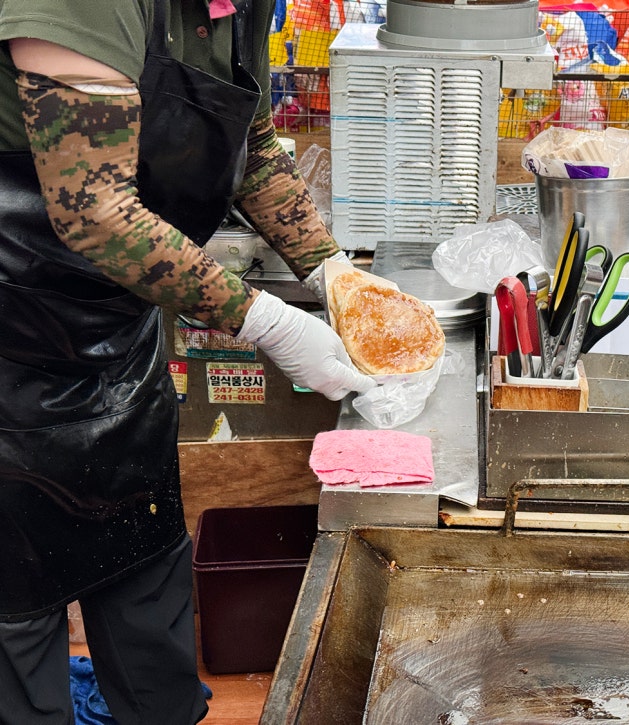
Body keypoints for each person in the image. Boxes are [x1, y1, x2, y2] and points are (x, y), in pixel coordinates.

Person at [0, 1, 375, 722]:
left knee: (150, 607)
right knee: (18, 636)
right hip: (12, 340)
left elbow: (251, 141)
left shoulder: (242, 7)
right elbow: (95, 210)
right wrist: (264, 319)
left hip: (115, 340)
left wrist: (331, 272)